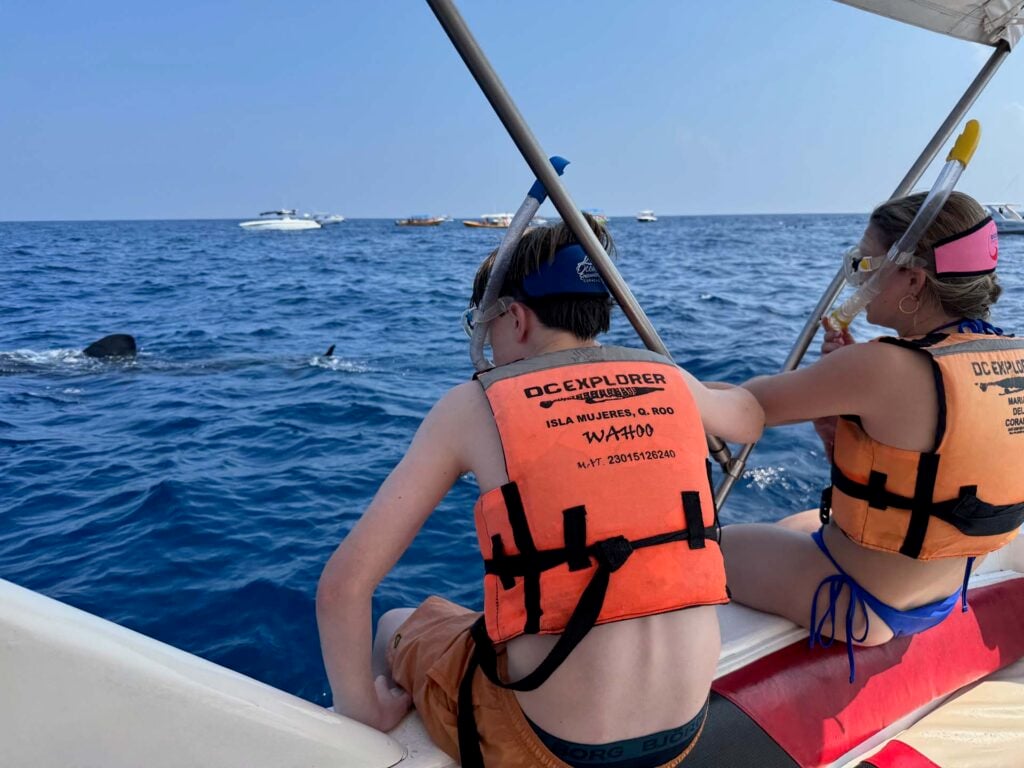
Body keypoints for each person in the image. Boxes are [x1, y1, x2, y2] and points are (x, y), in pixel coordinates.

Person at [316, 216, 764, 767]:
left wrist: (362, 710)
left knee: (394, 624)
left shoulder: (474, 405)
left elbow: (341, 589)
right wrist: (675, 387)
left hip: (552, 750)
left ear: (516, 318)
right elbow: (750, 418)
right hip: (680, 734)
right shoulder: (672, 380)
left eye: (484, 327)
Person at [723, 191, 1024, 682]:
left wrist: (662, 385)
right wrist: (840, 407)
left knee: (698, 548)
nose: (858, 277)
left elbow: (743, 410)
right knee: (799, 522)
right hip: (938, 595)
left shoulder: (879, 365)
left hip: (858, 602)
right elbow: (909, 484)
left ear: (911, 278)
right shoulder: (1008, 356)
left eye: (865, 261)